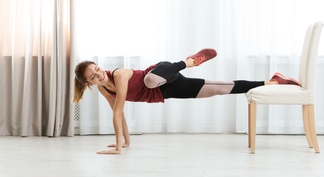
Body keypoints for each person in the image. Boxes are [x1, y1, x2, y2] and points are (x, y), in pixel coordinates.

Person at [73, 48, 301, 154]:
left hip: (161, 72)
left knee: (151, 80)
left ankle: (189, 61)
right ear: (89, 84)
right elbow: (119, 114)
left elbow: (118, 111)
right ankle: (273, 81)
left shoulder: (119, 74)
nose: (99, 74)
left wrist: (119, 147)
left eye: (97, 69)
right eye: (93, 77)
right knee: (220, 88)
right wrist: (126, 142)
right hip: (166, 90)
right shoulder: (105, 90)